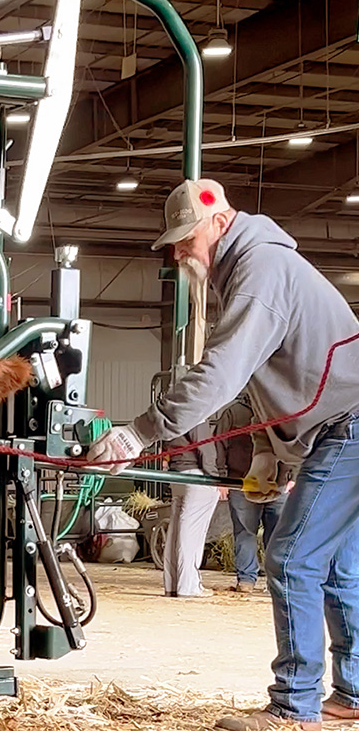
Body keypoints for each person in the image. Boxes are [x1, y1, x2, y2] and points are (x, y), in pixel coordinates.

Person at [87, 178, 359, 731]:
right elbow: (269, 383)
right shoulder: (251, 270)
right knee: (335, 565)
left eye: (186, 237)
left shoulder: (260, 271)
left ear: (219, 219)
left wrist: (139, 432)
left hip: (347, 426)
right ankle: (351, 694)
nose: (180, 250)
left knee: (291, 558)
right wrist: (274, 457)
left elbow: (222, 374)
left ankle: (293, 707)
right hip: (338, 426)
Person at [215, 395, 288, 594]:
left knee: (277, 534)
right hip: (241, 483)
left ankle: (276, 581)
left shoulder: (281, 408)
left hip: (278, 484)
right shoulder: (233, 413)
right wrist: (222, 478)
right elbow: (219, 444)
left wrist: (293, 476)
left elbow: (293, 443)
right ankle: (247, 579)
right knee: (245, 531)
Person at [163, 422, 219, 598]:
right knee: (192, 532)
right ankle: (189, 585)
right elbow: (204, 445)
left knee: (176, 531)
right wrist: (215, 478)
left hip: (177, 473)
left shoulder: (169, 410)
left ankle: (172, 584)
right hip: (196, 474)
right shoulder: (197, 410)